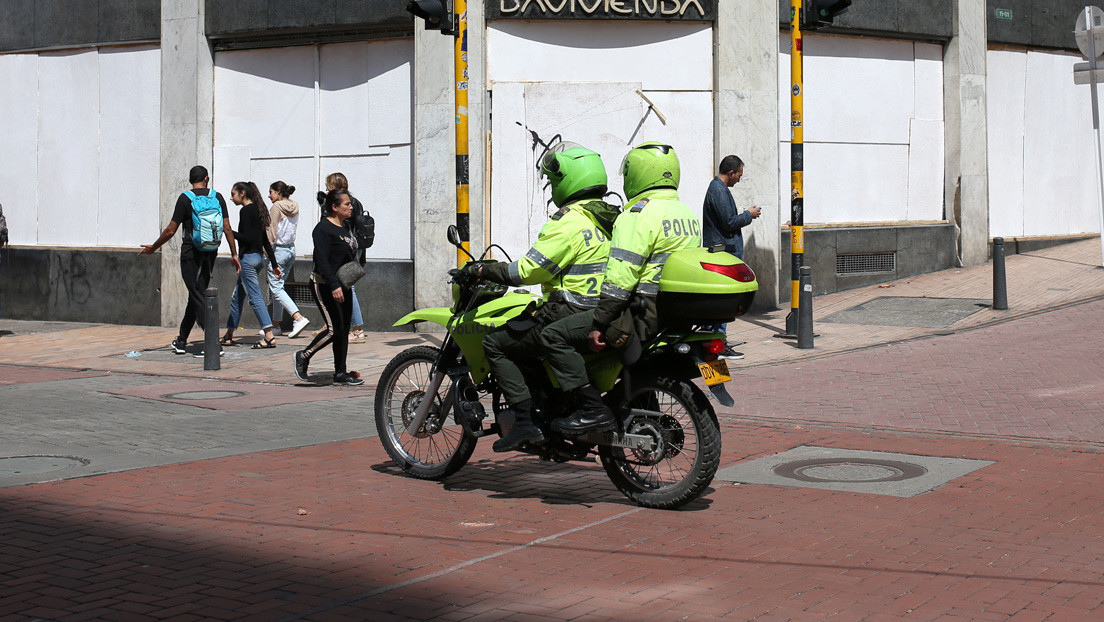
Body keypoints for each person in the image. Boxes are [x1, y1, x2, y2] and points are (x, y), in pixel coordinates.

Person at [540, 142, 701, 435]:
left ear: (637, 173)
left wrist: (600, 323)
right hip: (669, 312)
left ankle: (589, 410)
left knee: (552, 335)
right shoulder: (686, 213)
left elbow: (620, 279)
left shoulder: (638, 215)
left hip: (641, 312)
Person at [471, 143, 619, 452]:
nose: (552, 187)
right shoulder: (612, 219)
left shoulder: (568, 223)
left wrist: (485, 271)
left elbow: (526, 271)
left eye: (553, 181)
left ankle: (525, 423)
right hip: (607, 311)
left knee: (495, 343)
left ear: (567, 181)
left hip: (570, 313)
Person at [139, 165, 240, 355]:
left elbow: (171, 230)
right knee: (196, 294)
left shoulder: (185, 198)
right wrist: (234, 253)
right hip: (210, 252)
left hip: (190, 254)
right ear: (206, 179)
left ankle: (212, 343)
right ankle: (182, 340)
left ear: (190, 180)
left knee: (197, 295)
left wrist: (154, 247)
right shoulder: (217, 197)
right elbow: (226, 227)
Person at [294, 189, 363, 386]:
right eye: (346, 204)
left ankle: (340, 372)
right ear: (334, 207)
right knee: (333, 329)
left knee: (343, 330)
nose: (351, 207)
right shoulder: (322, 229)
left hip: (344, 285)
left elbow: (353, 250)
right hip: (324, 284)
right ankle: (304, 355)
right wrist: (333, 284)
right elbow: (321, 261)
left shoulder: (346, 226)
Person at [702, 154, 760, 359]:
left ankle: (714, 339)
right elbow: (729, 222)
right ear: (731, 172)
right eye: (739, 175)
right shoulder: (718, 190)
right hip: (724, 254)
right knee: (725, 300)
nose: (739, 179)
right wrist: (749, 215)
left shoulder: (719, 189)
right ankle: (718, 342)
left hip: (724, 252)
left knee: (721, 301)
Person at [220, 182, 281, 349]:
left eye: (233, 194)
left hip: (248, 259)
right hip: (258, 259)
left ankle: (269, 336)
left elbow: (249, 238)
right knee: (238, 297)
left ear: (242, 193)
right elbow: (264, 240)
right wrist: (274, 264)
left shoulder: (246, 211)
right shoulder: (259, 210)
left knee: (255, 298)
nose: (231, 198)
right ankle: (229, 334)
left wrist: (229, 231)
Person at [316, 173, 367, 342]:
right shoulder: (355, 202)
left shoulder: (340, 203)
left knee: (347, 287)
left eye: (327, 185)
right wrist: (362, 256)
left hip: (343, 249)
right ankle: (337, 324)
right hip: (353, 248)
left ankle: (356, 328)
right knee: (347, 286)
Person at [265, 181, 310, 338]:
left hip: (278, 251)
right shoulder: (295, 205)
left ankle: (298, 318)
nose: (269, 195)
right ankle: (276, 325)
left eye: (271, 192)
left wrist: (266, 251)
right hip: (291, 250)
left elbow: (271, 230)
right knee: (279, 287)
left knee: (276, 288)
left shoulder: (276, 207)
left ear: (278, 192)